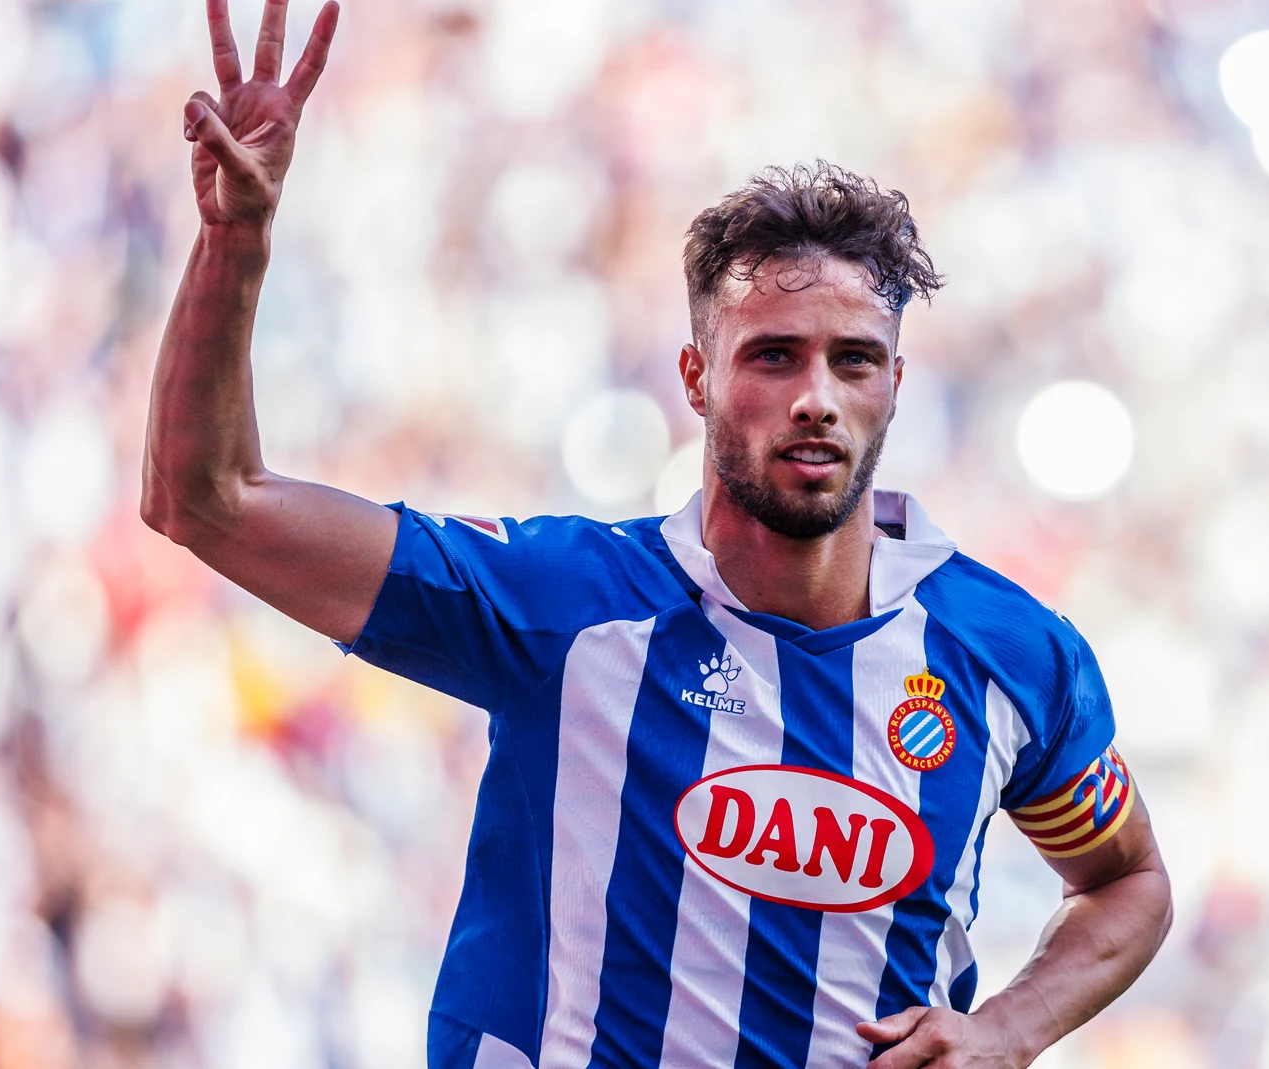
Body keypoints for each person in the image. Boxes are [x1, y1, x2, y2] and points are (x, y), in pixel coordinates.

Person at [142, 3, 1173, 1067]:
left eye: (854, 360)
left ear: (896, 385)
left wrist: (1009, 1026)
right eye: (773, 355)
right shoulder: (565, 603)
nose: (817, 397)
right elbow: (206, 499)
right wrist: (236, 241)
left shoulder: (1005, 653)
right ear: (696, 377)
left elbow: (1127, 882)